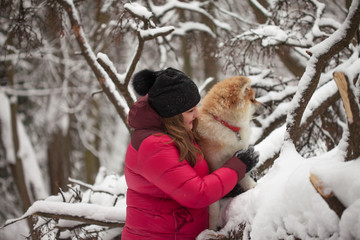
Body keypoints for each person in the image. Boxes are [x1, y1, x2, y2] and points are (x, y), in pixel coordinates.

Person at [122, 67, 259, 239]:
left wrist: (227, 185)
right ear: (172, 115)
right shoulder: (154, 145)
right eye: (189, 111)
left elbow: (187, 179)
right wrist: (237, 166)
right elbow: (197, 194)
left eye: (196, 106)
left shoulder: (175, 132)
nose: (197, 113)